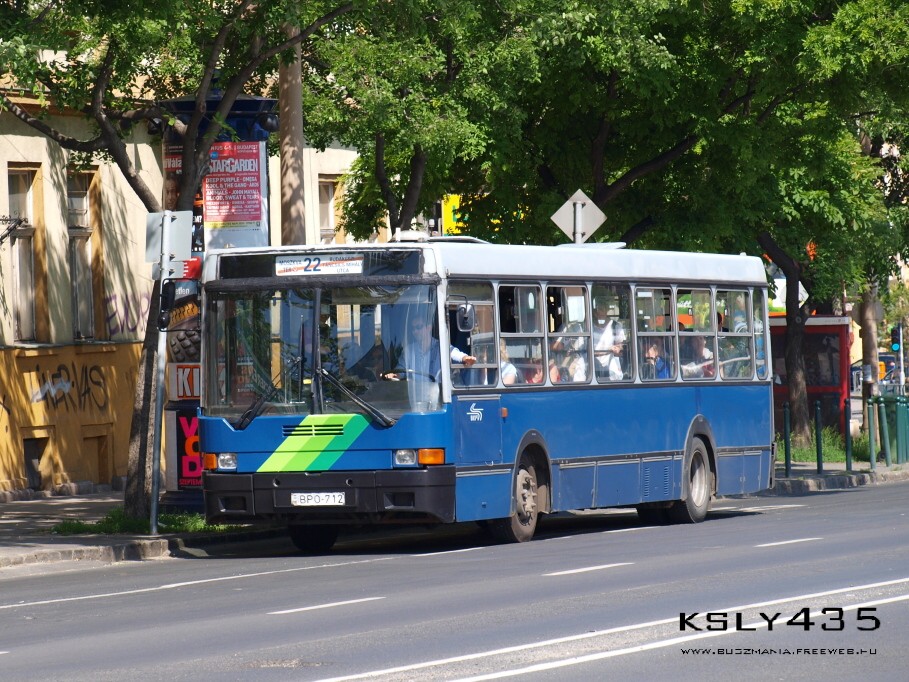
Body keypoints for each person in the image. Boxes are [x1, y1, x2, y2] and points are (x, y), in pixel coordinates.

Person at [386, 317, 476, 382]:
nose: (415, 331)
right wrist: (395, 375)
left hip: (438, 395)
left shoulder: (440, 347)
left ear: (429, 327)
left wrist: (465, 358)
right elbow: (401, 369)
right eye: (413, 329)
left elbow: (453, 353)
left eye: (418, 327)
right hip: (416, 395)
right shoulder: (409, 350)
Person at [592, 300, 626, 380]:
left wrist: (618, 348)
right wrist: (608, 350)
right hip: (593, 367)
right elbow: (587, 351)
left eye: (602, 309)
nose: (599, 312)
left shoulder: (615, 326)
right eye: (597, 310)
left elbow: (621, 345)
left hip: (611, 368)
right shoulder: (589, 327)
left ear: (606, 311)